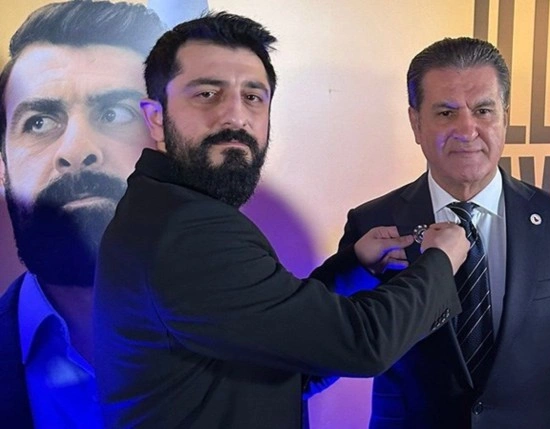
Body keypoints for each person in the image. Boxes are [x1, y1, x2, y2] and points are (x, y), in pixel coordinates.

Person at [93, 12, 469, 429]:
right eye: (207, 94)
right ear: (155, 117)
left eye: (253, 97)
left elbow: (290, 354)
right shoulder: (186, 230)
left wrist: (355, 268)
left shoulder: (172, 210)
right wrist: (440, 262)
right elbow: (362, 343)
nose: (235, 117)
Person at [325, 37, 550, 428]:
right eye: (446, 113)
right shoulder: (372, 224)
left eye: (483, 110)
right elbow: (341, 342)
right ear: (416, 123)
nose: (467, 130)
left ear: (505, 117)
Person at [0, 2, 166, 427]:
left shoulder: (257, 348)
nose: (77, 151)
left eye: (115, 113)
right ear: (3, 167)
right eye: (39, 122)